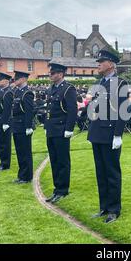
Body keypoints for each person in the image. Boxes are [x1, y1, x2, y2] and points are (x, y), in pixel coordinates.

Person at [88, 50, 128, 224]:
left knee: (111, 172)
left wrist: (118, 135)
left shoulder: (120, 84)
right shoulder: (100, 83)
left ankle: (114, 209)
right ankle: (104, 206)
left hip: (110, 133)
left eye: (101, 61)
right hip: (97, 132)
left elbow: (123, 111)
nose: (98, 64)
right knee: (100, 172)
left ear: (111, 64)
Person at [44, 63, 78, 204]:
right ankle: (57, 187)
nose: (50, 75)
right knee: (54, 159)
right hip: (52, 129)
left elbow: (72, 110)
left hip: (62, 129)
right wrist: (47, 125)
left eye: (52, 73)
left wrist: (69, 129)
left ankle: (63, 189)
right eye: (50, 73)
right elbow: (49, 109)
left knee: (63, 160)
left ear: (60, 74)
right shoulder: (51, 88)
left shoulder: (68, 89)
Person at [11, 71, 35, 184]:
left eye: (17, 78)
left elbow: (29, 111)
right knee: (20, 152)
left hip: (23, 126)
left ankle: (27, 176)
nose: (15, 80)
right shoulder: (17, 92)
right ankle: (21, 175)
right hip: (16, 125)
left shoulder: (27, 93)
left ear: (24, 79)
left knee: (25, 152)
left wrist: (28, 126)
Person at [0, 72, 14, 171]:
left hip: (3, 120)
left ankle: (5, 164)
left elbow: (7, 109)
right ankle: (2, 162)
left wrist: (5, 122)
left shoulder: (8, 92)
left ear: (6, 81)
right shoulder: (1, 92)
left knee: (5, 144)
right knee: (0, 143)